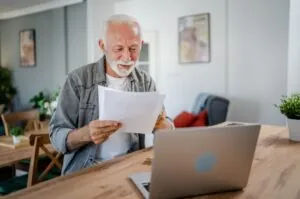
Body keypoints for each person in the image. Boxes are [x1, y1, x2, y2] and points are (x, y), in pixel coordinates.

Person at [49, 14, 174, 175]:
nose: (127, 57)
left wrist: (165, 127)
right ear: (102, 46)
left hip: (130, 166)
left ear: (141, 45)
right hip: (85, 171)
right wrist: (86, 134)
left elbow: (165, 121)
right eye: (119, 49)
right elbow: (56, 136)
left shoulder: (145, 81)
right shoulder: (78, 80)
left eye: (133, 49)